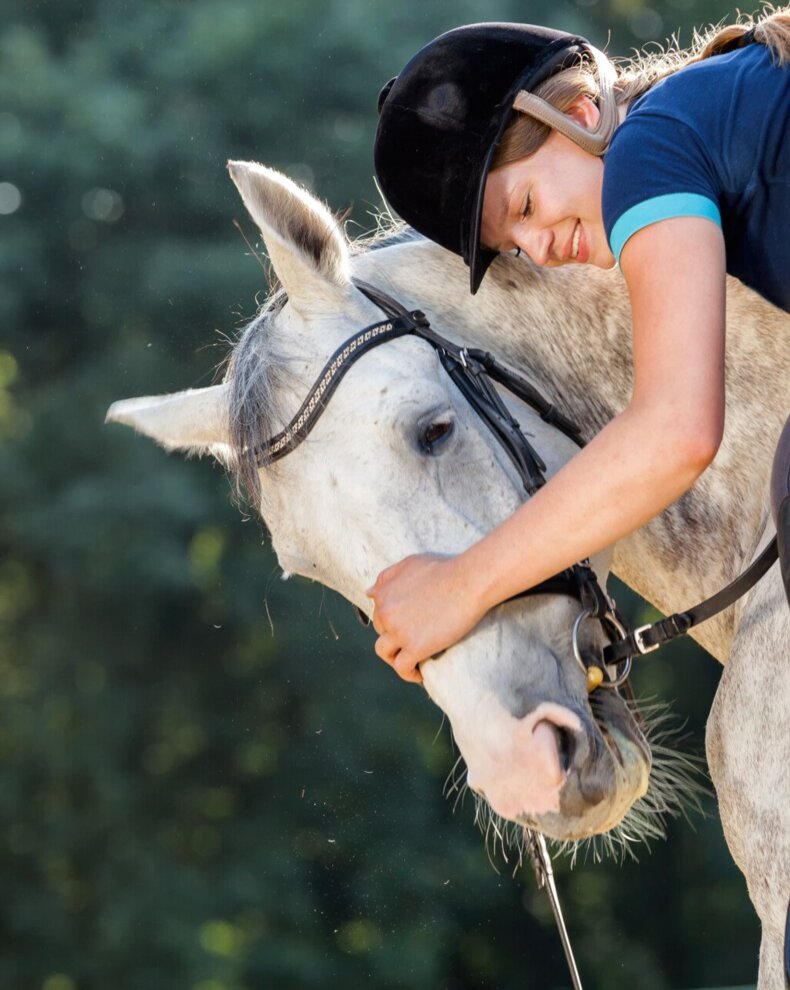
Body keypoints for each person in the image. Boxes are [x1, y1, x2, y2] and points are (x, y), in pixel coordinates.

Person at [367, 10, 790, 683]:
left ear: (582, 112)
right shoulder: (700, 117)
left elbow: (675, 431)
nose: (539, 249)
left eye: (527, 206)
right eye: (514, 246)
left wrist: (462, 586)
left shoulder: (644, 155)